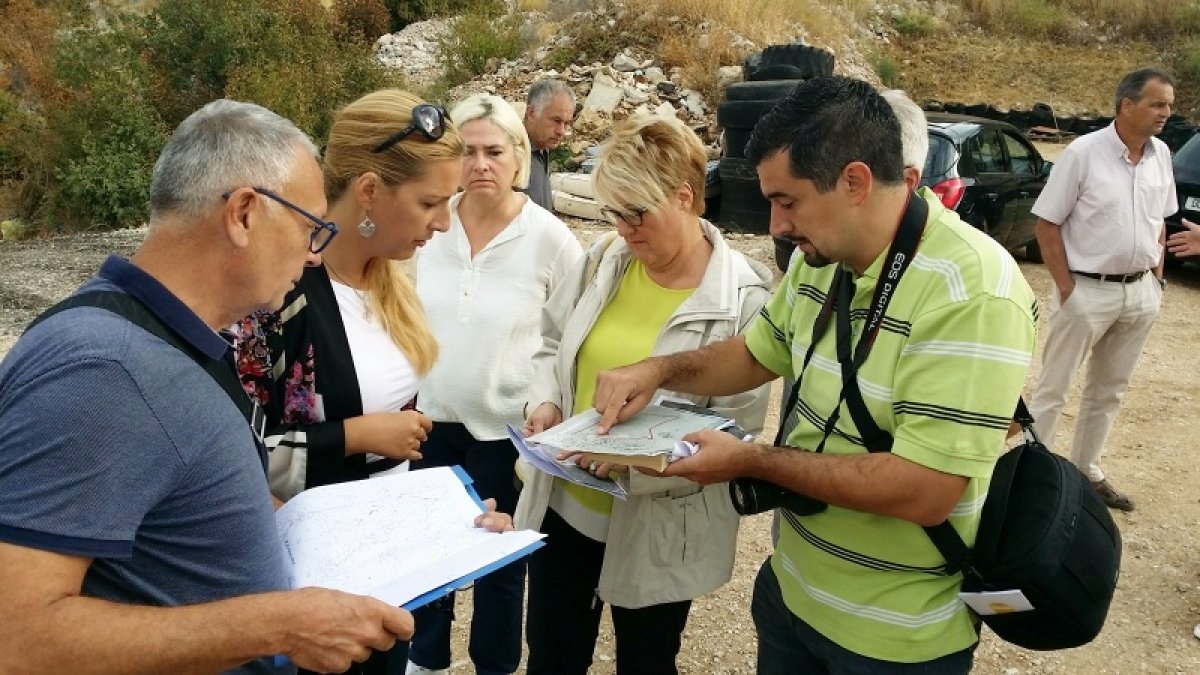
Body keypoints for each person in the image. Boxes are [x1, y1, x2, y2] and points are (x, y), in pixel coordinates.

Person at [591, 77, 1038, 673]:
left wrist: (749, 461)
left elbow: (925, 490)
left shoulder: (972, 291)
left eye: (788, 201)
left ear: (854, 181)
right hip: (793, 595)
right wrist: (659, 368)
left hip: (891, 637)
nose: (775, 225)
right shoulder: (821, 258)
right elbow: (755, 353)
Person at [0, 99, 415, 674]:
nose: (314, 257)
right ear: (244, 214)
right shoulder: (102, 370)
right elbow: (16, 639)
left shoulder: (178, 340)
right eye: (311, 228)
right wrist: (280, 625)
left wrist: (406, 532)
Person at [233, 89, 511, 675]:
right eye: (431, 202)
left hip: (385, 566)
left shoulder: (389, 280)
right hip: (311, 588)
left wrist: (445, 519)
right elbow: (232, 459)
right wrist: (355, 436)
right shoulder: (278, 296)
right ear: (368, 192)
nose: (443, 222)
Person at [514, 112, 773, 675]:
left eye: (637, 213)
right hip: (565, 506)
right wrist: (545, 404)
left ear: (684, 197)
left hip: (657, 529)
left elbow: (735, 433)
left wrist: (633, 462)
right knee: (552, 657)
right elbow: (552, 342)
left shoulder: (744, 297)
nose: (624, 228)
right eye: (614, 212)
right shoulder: (604, 260)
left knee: (648, 661)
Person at [406, 94, 582, 675]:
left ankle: (494, 668)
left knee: (500, 569)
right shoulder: (430, 224)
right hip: (429, 427)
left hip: (504, 432)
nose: (480, 163)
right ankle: (425, 662)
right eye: (468, 151)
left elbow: (566, 340)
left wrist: (547, 402)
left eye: (494, 151)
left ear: (520, 158)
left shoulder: (552, 240)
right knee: (428, 562)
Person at [1026, 67, 1177, 512]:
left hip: (1139, 293)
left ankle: (1087, 472)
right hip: (1086, 292)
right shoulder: (1083, 153)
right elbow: (1046, 225)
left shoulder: (1162, 154)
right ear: (1126, 105)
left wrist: (1155, 279)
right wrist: (1069, 290)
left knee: (1109, 389)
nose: (1166, 112)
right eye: (1157, 103)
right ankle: (1035, 482)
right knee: (1053, 388)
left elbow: (1160, 224)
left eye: (1169, 104)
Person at [521, 78, 576, 211]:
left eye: (567, 123)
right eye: (556, 120)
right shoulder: (510, 156)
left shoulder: (542, 148)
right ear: (532, 113)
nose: (561, 131)